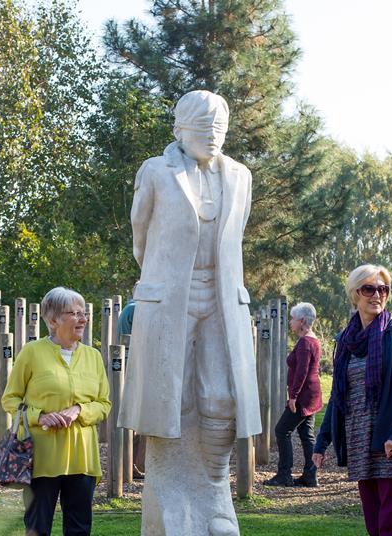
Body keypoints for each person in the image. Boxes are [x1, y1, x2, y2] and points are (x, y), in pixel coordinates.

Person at [118, 90, 260, 535]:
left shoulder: (239, 176)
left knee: (221, 397)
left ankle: (211, 490)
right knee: (171, 401)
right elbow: (140, 237)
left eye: (219, 129)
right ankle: (174, 499)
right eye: (203, 130)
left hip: (221, 301)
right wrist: (164, 282)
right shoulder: (156, 171)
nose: (213, 138)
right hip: (170, 303)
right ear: (180, 130)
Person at [312, 264, 392, 536]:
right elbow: (340, 395)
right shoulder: (346, 341)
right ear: (355, 294)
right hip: (361, 446)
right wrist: (322, 440)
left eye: (383, 289)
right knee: (375, 527)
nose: (377, 295)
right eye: (369, 289)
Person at [2, 287, 110, 536]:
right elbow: (10, 399)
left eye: (83, 313)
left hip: (82, 458)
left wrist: (79, 410)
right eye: (74, 313)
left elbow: (104, 404)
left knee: (79, 529)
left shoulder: (93, 357)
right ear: (53, 320)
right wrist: (38, 416)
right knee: (37, 528)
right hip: (41, 459)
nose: (82, 319)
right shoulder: (31, 353)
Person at [264, 301, 322, 488]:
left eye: (293, 318)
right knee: (306, 435)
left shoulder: (306, 342)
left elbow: (302, 371)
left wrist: (293, 396)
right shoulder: (313, 339)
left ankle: (284, 474)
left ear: (302, 320)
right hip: (313, 394)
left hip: (304, 396)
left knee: (282, 431)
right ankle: (310, 475)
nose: (290, 322)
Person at [114, 298, 145, 479]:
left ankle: (130, 464)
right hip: (132, 365)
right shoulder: (136, 309)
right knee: (134, 418)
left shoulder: (130, 308)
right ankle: (128, 465)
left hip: (129, 363)